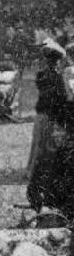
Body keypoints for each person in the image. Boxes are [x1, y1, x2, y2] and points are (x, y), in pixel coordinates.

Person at [27, 41, 72, 180]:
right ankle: (41, 173)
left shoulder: (41, 74)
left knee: (38, 144)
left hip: (42, 113)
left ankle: (31, 170)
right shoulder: (57, 77)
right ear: (57, 62)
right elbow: (62, 96)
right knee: (47, 146)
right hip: (51, 114)